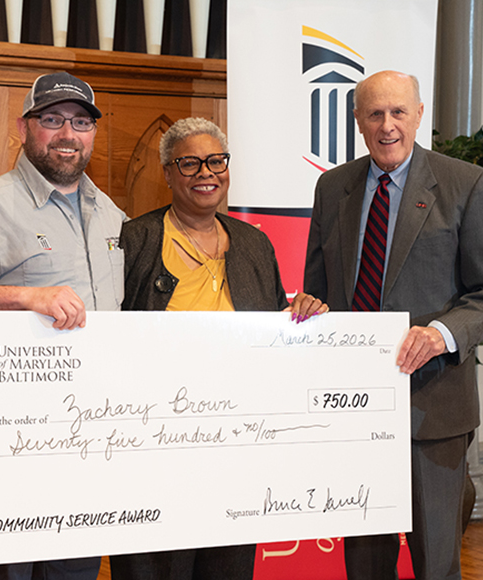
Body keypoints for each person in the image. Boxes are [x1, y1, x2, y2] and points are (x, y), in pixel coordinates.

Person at [303, 70, 483, 580]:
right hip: (353, 411)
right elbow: (319, 287)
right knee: (365, 562)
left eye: (398, 111)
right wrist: (311, 309)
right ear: (357, 121)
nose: (387, 125)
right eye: (374, 113)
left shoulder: (467, 184)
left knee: (436, 562)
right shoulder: (333, 187)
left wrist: (440, 333)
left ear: (419, 114)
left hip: (433, 408)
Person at [108, 117, 326, 580]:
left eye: (216, 161)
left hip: (236, 442)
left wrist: (301, 315)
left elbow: (273, 336)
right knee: (155, 562)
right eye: (189, 163)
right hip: (155, 440)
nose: (205, 173)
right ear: (167, 173)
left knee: (227, 560)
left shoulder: (253, 244)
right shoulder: (136, 240)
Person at [0, 72, 126, 580]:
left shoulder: (113, 216)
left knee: (74, 571)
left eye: (81, 122)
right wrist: (23, 296)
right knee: (5, 572)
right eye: (53, 119)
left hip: (88, 432)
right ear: (24, 127)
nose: (68, 134)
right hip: (8, 432)